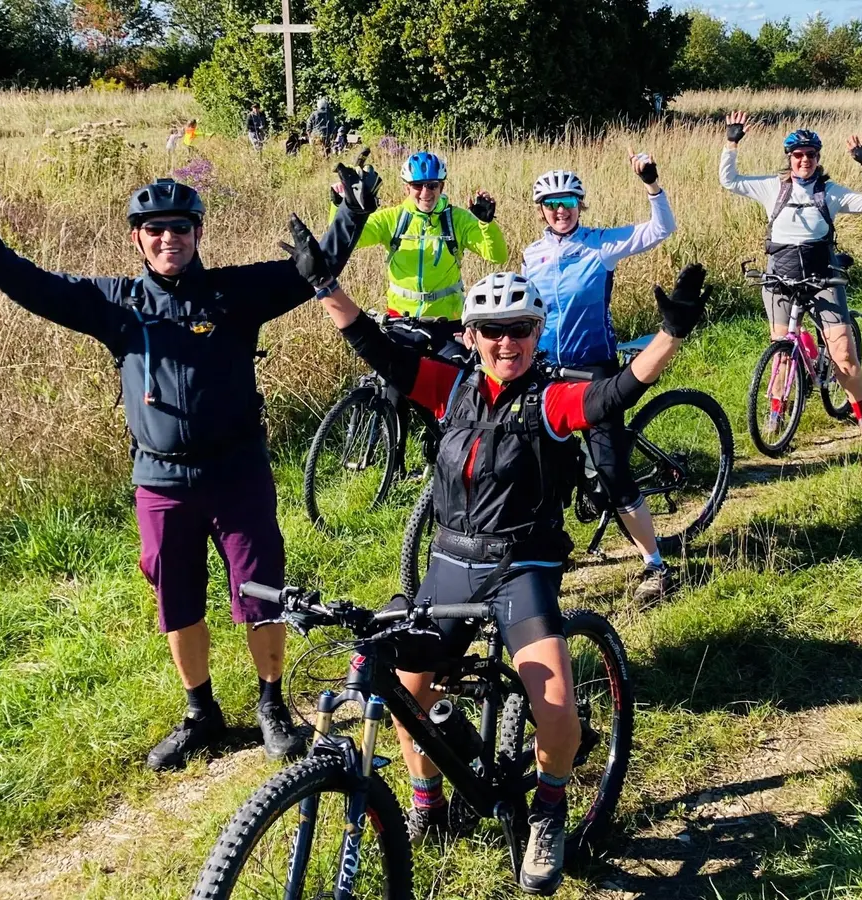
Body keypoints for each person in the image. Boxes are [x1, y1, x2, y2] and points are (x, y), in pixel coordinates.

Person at [0, 163, 384, 772]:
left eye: (180, 229)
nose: (168, 239)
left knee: (261, 592)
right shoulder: (116, 304)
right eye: (155, 229)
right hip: (160, 479)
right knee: (177, 598)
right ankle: (200, 713)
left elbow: (310, 272)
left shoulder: (234, 294)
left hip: (237, 472)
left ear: (197, 234)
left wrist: (353, 212)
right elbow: (30, 284)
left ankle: (271, 705)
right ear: (137, 237)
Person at [291, 205, 709, 891]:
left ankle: (548, 808)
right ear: (472, 334)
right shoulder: (450, 386)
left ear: (536, 334)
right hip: (452, 560)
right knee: (406, 691)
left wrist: (670, 334)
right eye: (491, 331)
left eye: (517, 330)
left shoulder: (549, 399)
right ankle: (428, 805)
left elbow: (613, 394)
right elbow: (380, 351)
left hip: (523, 567)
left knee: (556, 709)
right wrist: (325, 287)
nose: (504, 342)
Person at [521, 153, 678, 603]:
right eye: (551, 202)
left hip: (594, 368)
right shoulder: (533, 254)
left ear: (580, 203)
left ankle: (654, 562)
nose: (560, 209)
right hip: (546, 370)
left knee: (611, 471)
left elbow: (660, 230)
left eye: (567, 200)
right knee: (539, 461)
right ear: (541, 210)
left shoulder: (601, 245)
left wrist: (652, 184)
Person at [720, 110, 862, 439]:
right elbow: (730, 181)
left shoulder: (831, 192)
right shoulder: (773, 187)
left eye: (810, 155)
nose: (804, 161)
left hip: (823, 276)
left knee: (843, 355)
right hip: (781, 277)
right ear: (789, 158)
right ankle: (776, 413)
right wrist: (731, 143)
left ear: (818, 157)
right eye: (797, 155)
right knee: (781, 349)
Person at [337, 150, 507, 351]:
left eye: (432, 185)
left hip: (448, 324)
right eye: (417, 185)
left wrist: (486, 224)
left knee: (456, 380)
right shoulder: (392, 219)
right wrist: (343, 206)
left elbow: (497, 256)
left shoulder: (457, 219)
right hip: (401, 322)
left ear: (441, 186)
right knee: (397, 380)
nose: (425, 192)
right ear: (406, 188)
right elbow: (346, 241)